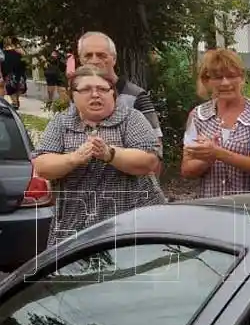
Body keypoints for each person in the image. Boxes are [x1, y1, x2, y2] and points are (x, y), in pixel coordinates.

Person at [32, 66, 165, 248]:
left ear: (113, 94)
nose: (95, 95)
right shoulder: (61, 123)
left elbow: (149, 161)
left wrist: (110, 154)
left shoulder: (131, 118)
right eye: (86, 89)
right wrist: (74, 158)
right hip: (74, 226)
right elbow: (42, 166)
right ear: (73, 95)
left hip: (133, 224)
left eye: (103, 89)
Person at [180, 49, 250, 198]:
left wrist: (218, 153)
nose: (225, 83)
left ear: (242, 78)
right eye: (218, 77)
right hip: (212, 207)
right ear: (207, 81)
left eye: (231, 76)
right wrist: (207, 160)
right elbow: (186, 170)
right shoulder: (197, 116)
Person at [76, 31, 163, 149]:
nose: (94, 60)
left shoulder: (136, 96)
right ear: (80, 60)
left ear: (114, 59)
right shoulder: (78, 94)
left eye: (101, 55)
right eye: (88, 55)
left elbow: (156, 149)